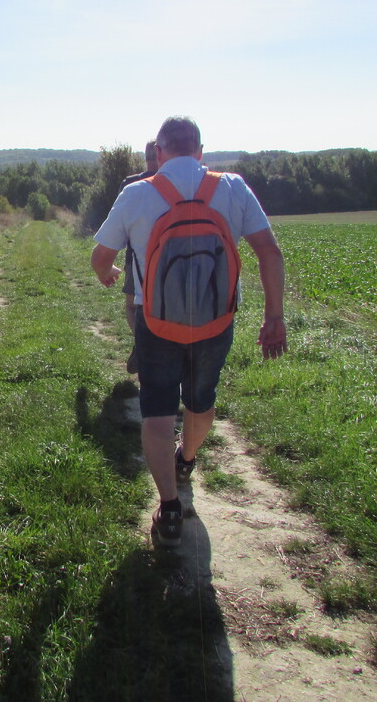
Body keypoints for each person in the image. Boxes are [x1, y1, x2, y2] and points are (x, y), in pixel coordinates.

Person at [91, 116, 287, 548]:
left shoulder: (138, 193)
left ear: (158, 154)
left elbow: (101, 255)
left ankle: (169, 505)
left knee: (157, 411)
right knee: (200, 401)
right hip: (216, 320)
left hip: (155, 322)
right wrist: (274, 315)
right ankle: (188, 458)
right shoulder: (232, 187)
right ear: (200, 152)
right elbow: (269, 251)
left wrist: (108, 275)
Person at [118, 139, 158, 373]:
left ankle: (142, 343)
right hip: (172, 255)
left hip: (136, 256)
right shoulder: (181, 182)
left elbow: (120, 221)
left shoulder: (132, 183)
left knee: (133, 305)